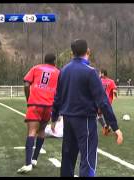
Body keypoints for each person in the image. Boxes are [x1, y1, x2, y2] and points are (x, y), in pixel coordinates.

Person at [51, 39, 123, 177]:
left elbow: (57, 98)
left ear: (72, 53)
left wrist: (54, 119)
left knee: (67, 158)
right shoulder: (90, 72)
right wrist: (115, 127)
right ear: (88, 52)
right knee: (88, 159)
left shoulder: (63, 71)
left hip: (68, 120)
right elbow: (103, 101)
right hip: (85, 121)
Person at [17, 53, 60, 174]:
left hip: (35, 104)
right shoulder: (58, 72)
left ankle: (28, 163)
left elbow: (26, 83)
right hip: (48, 106)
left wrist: (28, 98)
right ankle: (35, 159)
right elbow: (59, 91)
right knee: (41, 131)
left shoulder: (36, 68)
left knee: (31, 132)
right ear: (54, 62)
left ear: (44, 60)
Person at [98, 69, 118, 134]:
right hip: (107, 101)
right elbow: (114, 90)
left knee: (99, 114)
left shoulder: (99, 80)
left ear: (103, 74)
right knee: (107, 115)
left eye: (100, 73)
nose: (99, 74)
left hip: (100, 100)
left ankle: (105, 126)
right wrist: (115, 96)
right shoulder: (111, 81)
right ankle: (108, 127)